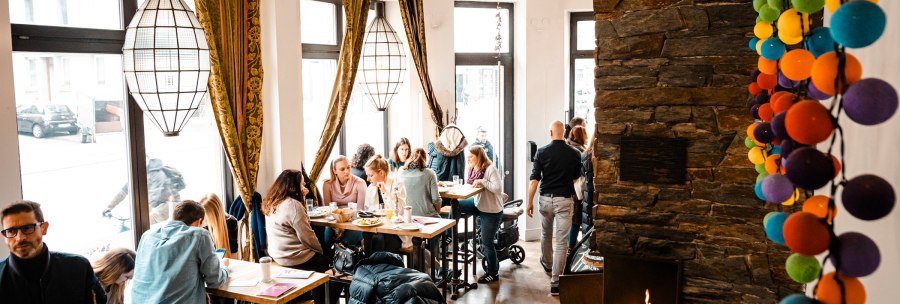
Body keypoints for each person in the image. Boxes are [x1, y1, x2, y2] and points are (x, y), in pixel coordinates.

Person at [0, 200, 107, 303]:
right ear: (4, 235)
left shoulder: (78, 268)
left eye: (27, 228)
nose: (20, 238)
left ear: (44, 228)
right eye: (11, 231)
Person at [131, 200, 229, 303]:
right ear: (199, 221)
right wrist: (224, 268)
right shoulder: (199, 235)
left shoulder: (147, 236)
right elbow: (215, 281)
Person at [526, 120, 583, 296]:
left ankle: (548, 264)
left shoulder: (542, 152)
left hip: (545, 199)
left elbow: (534, 180)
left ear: (551, 133)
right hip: (564, 200)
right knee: (561, 242)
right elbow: (575, 178)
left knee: (545, 233)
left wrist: (529, 202)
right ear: (564, 133)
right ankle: (556, 283)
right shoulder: (574, 153)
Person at [263, 169, 336, 303]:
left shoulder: (272, 201)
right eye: (302, 184)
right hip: (293, 257)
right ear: (293, 187)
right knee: (325, 261)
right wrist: (320, 251)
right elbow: (307, 237)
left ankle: (307, 294)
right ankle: (320, 300)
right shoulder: (294, 205)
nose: (304, 187)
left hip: (277, 255)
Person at [456, 146, 505, 284]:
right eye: (468, 156)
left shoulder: (490, 169)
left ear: (479, 156)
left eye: (471, 156)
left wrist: (482, 181)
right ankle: (448, 234)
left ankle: (493, 272)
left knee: (487, 243)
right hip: (479, 205)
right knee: (456, 203)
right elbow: (470, 185)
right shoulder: (473, 168)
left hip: (491, 211)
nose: (469, 159)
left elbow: (497, 188)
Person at [104, 157, 185, 224]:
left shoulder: (156, 174)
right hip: (158, 206)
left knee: (144, 223)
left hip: (170, 205)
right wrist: (109, 207)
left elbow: (154, 198)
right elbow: (123, 192)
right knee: (138, 221)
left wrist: (140, 214)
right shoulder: (136, 175)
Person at [321, 156, 366, 258]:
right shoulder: (327, 184)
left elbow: (360, 210)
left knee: (347, 243)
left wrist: (344, 227)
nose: (347, 171)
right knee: (327, 237)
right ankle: (327, 264)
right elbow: (328, 210)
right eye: (342, 169)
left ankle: (342, 263)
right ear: (334, 170)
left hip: (353, 221)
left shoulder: (360, 183)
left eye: (348, 167)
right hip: (334, 221)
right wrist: (336, 227)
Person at [363, 155, 405, 251]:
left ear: (381, 173)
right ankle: (372, 264)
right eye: (367, 175)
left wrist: (385, 193)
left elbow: (400, 210)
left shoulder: (397, 183)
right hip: (377, 229)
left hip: (395, 231)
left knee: (379, 240)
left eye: (371, 175)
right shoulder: (370, 189)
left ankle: (377, 264)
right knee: (368, 238)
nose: (368, 179)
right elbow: (368, 211)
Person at [397, 148, 442, 218]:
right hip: (428, 216)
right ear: (425, 159)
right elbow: (436, 199)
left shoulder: (400, 171)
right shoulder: (430, 173)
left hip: (407, 216)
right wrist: (438, 212)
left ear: (410, 157)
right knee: (445, 222)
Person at [200, 193, 238, 259]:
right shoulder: (200, 225)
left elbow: (233, 252)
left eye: (206, 217)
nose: (203, 220)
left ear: (214, 215)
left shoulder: (231, 222)